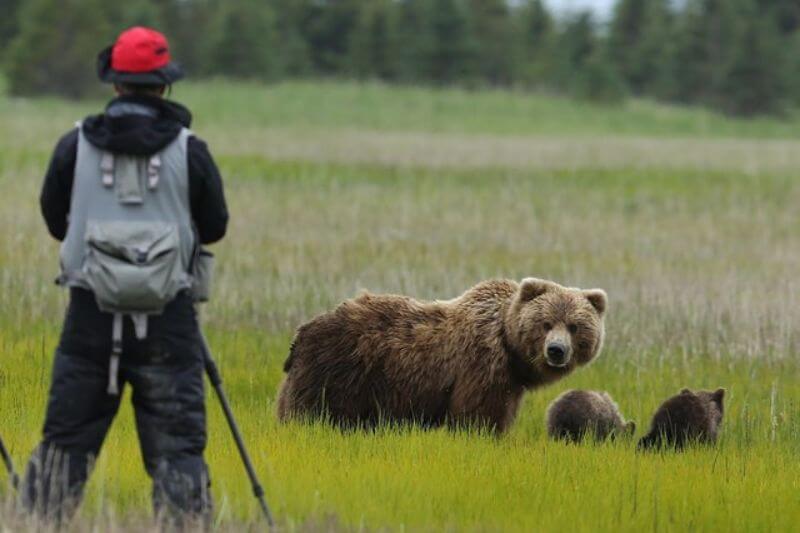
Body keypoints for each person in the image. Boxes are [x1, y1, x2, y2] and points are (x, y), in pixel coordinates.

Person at [22, 26, 228, 525]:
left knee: (66, 443)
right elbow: (215, 227)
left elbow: (55, 220)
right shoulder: (190, 149)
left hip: (90, 317)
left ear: (115, 85)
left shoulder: (74, 145)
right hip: (169, 321)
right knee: (178, 448)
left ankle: (34, 523)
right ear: (164, 86)